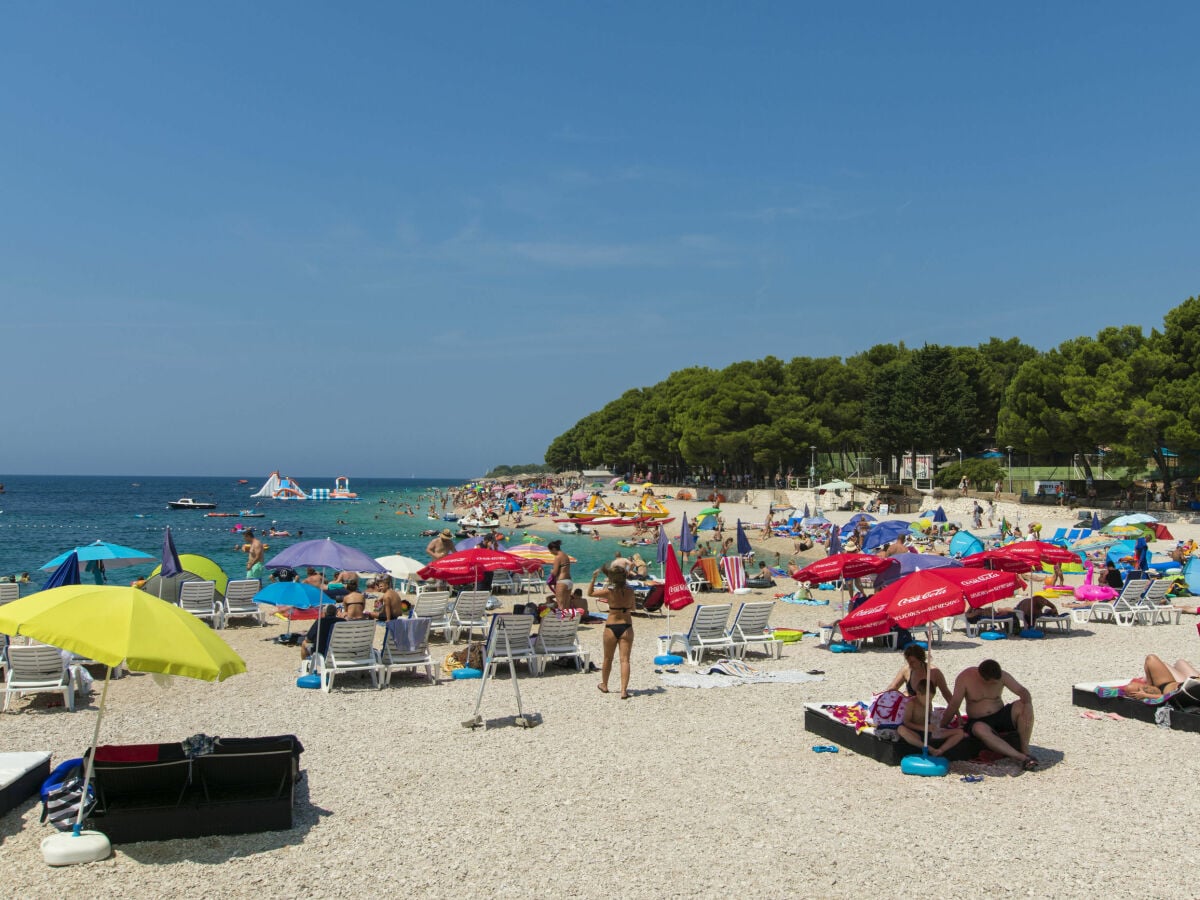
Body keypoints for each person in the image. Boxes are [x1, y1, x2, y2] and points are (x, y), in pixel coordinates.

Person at [940, 659, 1038, 770]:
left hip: (1000, 714)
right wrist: (943, 725)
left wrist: (1028, 704)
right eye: (992, 682)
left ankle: (1025, 749)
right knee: (979, 728)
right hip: (979, 720)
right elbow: (954, 704)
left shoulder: (1002, 676)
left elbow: (1022, 691)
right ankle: (1022, 757)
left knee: (1024, 706)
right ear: (983, 678)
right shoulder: (965, 678)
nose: (994, 684)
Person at [588, 564, 635, 699]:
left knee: (608, 658)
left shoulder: (609, 592)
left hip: (611, 626)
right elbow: (633, 607)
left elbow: (590, 593)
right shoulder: (630, 591)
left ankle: (605, 685)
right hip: (626, 625)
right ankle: (623, 691)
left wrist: (593, 579)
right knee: (625, 660)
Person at [897, 679, 966, 757]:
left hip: (928, 733)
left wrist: (934, 726)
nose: (930, 701)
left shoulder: (929, 704)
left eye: (931, 698)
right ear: (918, 693)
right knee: (901, 729)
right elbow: (906, 722)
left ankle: (940, 750)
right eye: (928, 698)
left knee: (959, 732)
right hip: (916, 733)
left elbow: (929, 720)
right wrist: (923, 728)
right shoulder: (911, 704)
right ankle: (928, 748)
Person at [886, 644, 952, 704]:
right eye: (908, 662)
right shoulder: (906, 670)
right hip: (909, 707)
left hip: (924, 710)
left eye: (913, 662)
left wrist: (957, 714)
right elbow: (893, 687)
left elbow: (946, 693)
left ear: (921, 659)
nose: (910, 665)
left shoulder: (934, 673)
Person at [1120, 655, 1200, 700]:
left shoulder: (1150, 689)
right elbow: (1170, 697)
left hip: (1167, 684)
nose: (1144, 689)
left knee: (1151, 658)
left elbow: (1150, 658)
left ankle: (1149, 683)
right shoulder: (1173, 695)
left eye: (1142, 686)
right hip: (1181, 687)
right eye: (1138, 691)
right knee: (1180, 663)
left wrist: (1149, 683)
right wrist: (1147, 695)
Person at [548, 540, 575, 612]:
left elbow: (554, 573)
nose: (550, 553)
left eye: (550, 551)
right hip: (569, 581)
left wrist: (551, 571)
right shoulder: (565, 556)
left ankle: (560, 622)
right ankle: (566, 622)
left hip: (562, 581)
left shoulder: (558, 557)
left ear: (554, 549)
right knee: (566, 606)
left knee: (560, 605)